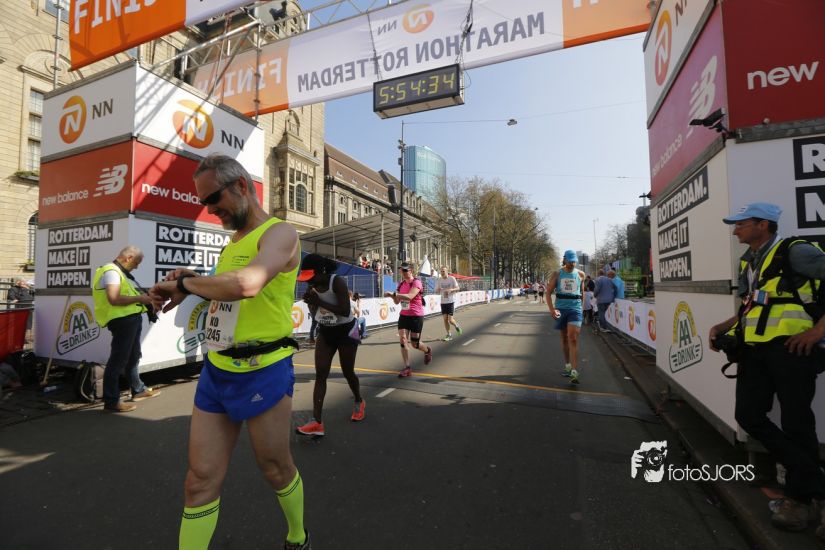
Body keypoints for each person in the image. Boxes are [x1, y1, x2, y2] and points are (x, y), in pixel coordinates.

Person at [148, 154, 310, 550]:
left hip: (264, 369)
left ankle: (298, 536)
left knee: (275, 469)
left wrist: (187, 285)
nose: (209, 209)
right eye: (203, 202)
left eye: (212, 198)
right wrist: (190, 283)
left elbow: (246, 284)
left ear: (240, 186)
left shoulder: (280, 233)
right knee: (199, 481)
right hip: (217, 370)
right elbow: (226, 294)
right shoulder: (232, 244)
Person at [708, 202, 825, 535]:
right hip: (756, 352)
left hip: (792, 351)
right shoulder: (749, 261)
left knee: (797, 423)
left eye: (741, 224)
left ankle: (800, 500)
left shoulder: (795, 251)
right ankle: (815, 486)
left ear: (763, 224)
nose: (735, 230)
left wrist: (818, 331)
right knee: (748, 416)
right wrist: (723, 326)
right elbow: (750, 307)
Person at [293, 255, 365, 437]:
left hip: (346, 331)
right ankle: (316, 422)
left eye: (311, 277)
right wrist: (311, 304)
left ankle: (359, 400)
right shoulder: (312, 286)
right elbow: (317, 314)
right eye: (306, 278)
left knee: (348, 372)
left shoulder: (337, 282)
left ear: (322, 272)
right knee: (321, 374)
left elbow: (345, 311)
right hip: (326, 331)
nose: (308, 282)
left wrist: (319, 301)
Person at [91, 246, 162, 413]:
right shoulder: (112, 271)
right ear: (129, 258)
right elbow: (114, 299)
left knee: (133, 356)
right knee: (118, 360)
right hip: (123, 321)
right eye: (137, 262)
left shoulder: (116, 272)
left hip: (129, 319)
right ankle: (111, 401)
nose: (137, 267)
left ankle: (138, 390)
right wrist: (141, 298)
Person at [384, 261, 432, 377]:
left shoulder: (416, 282)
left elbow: (410, 296)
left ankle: (427, 350)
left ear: (411, 271)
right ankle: (407, 367)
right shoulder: (401, 285)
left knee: (415, 344)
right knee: (403, 339)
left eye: (405, 270)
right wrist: (392, 297)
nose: (403, 272)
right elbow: (397, 302)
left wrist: (395, 294)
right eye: (402, 270)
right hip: (404, 315)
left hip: (416, 316)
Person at [547, 250, 586, 384]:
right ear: (564, 260)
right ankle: (568, 365)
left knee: (573, 338)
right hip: (561, 309)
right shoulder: (557, 274)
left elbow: (582, 293)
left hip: (575, 309)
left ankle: (574, 372)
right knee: (564, 338)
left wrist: (582, 309)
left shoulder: (580, 274)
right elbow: (548, 293)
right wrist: (552, 310)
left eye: (574, 261)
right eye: (570, 261)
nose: (572, 264)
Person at [434, 266, 462, 341]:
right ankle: (449, 335)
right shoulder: (439, 280)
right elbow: (436, 291)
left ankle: (457, 325)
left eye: (443, 271)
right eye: (441, 271)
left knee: (450, 320)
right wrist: (438, 290)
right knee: (445, 319)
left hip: (450, 301)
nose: (442, 273)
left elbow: (458, 288)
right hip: (443, 302)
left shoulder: (452, 278)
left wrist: (451, 290)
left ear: (447, 271)